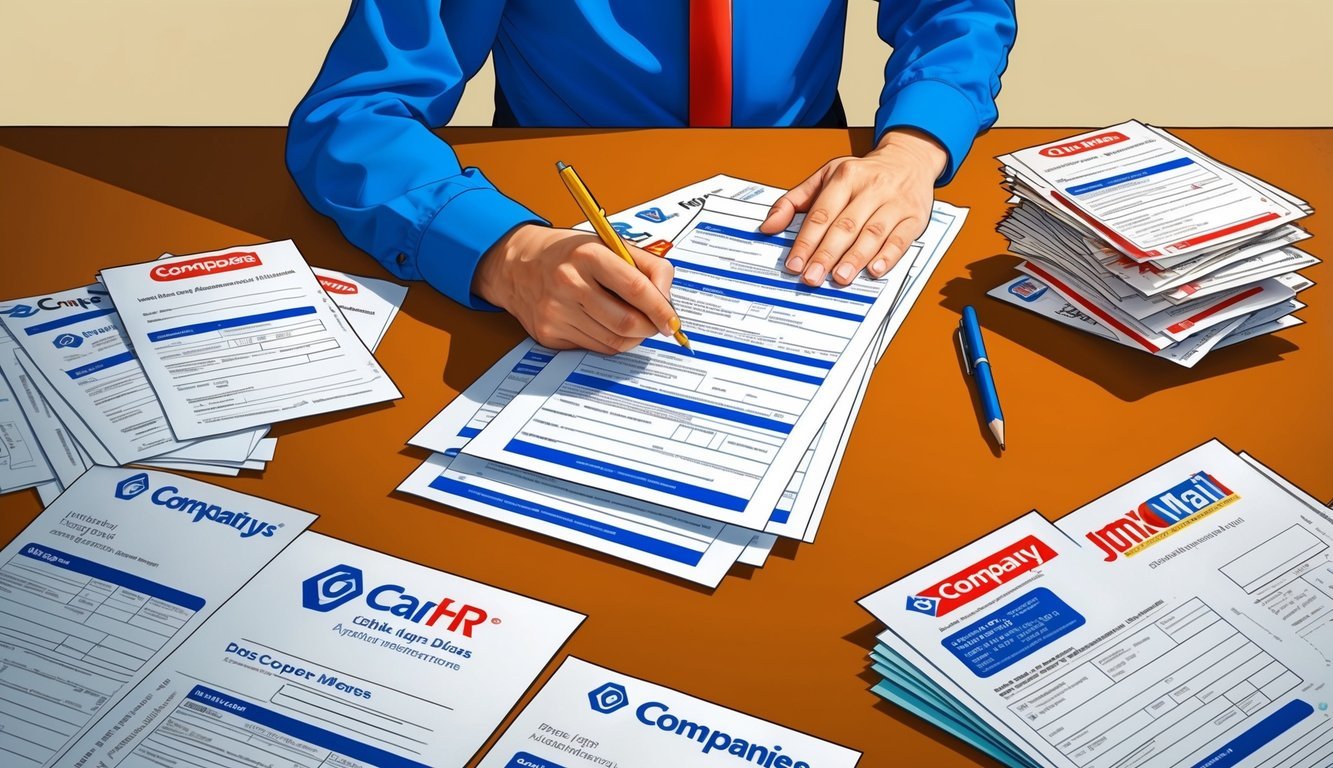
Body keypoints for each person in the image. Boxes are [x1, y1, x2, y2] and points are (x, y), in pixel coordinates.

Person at [287, 1, 1016, 354]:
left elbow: (955, 9)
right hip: (560, 204)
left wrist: (914, 146)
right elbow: (354, 114)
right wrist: (503, 254)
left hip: (802, 188)